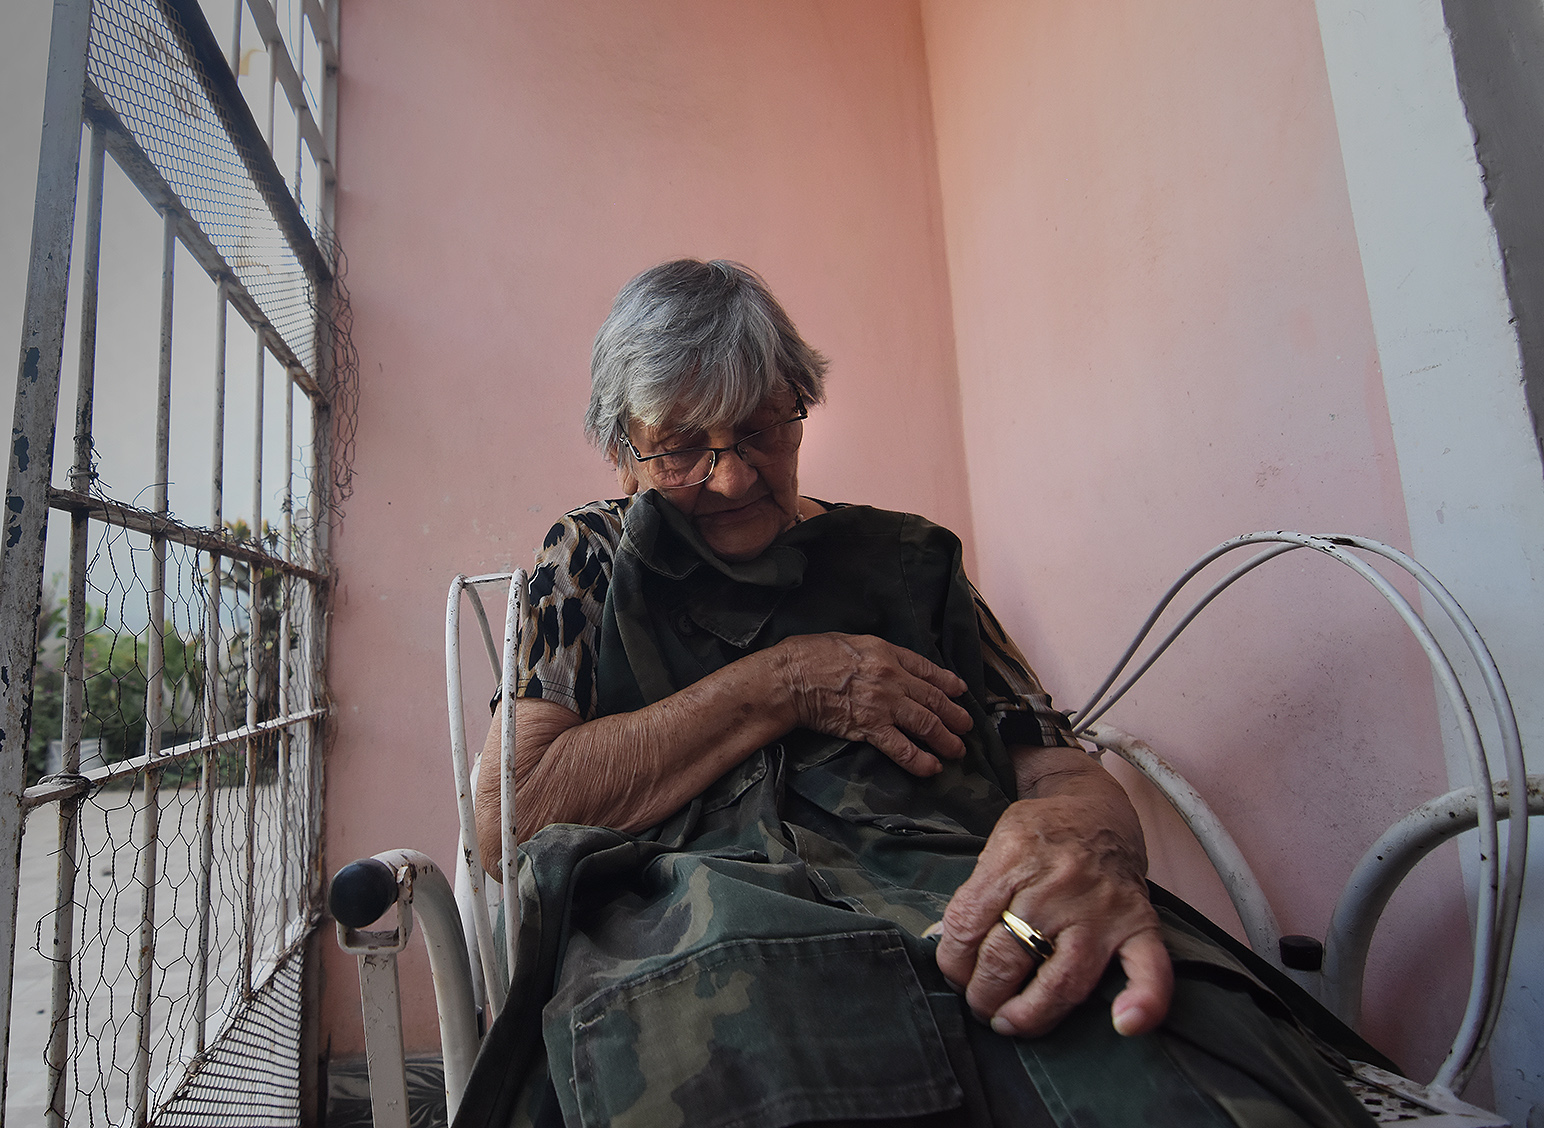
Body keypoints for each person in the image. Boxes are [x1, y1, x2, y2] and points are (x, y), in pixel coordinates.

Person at [458, 259, 1378, 1128]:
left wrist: (1074, 840)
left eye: (760, 431)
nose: (732, 476)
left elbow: (1057, 769)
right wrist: (786, 683)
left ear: (802, 410)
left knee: (1174, 1060)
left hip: (963, 894)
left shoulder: (910, 562)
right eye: (682, 450)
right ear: (624, 455)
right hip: (706, 930)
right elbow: (515, 816)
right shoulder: (587, 555)